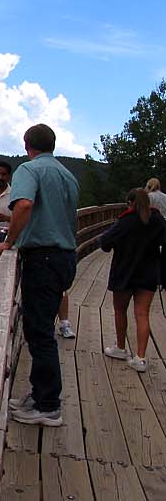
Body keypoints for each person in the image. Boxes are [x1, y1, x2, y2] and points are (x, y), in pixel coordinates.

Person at [8, 124, 83, 427]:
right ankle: (39, 394)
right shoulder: (68, 175)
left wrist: (8, 241)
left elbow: (25, 204)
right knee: (42, 329)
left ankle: (48, 405)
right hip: (65, 257)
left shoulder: (29, 169)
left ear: (28, 145)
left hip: (44, 257)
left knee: (39, 333)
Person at [97, 188, 164, 372]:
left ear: (131, 203)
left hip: (124, 272)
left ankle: (120, 348)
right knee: (142, 314)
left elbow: (104, 242)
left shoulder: (126, 221)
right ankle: (140, 358)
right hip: (148, 272)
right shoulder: (157, 220)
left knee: (120, 311)